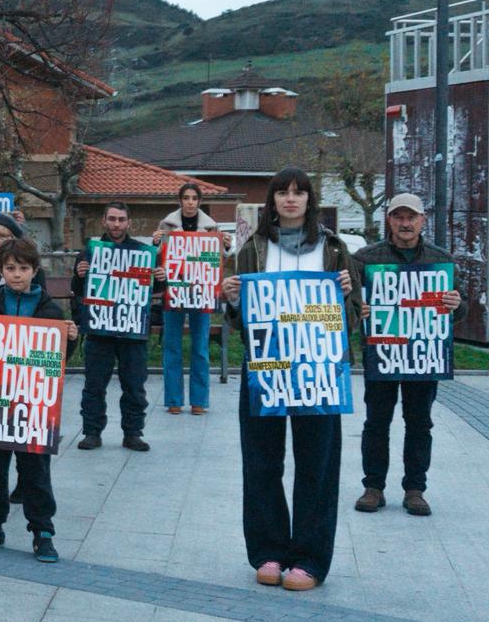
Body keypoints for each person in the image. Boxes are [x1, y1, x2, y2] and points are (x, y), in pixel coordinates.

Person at [222, 167, 359, 591]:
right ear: (272, 201)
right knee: (262, 460)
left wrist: (349, 295)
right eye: (283, 192)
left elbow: (350, 320)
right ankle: (268, 551)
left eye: (299, 192)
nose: (291, 199)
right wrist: (231, 300)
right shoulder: (252, 248)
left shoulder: (334, 249)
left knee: (317, 464)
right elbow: (240, 318)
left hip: (319, 370)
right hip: (266, 369)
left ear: (309, 200)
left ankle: (310, 559)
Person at [0, 237, 78, 562]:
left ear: (34, 270)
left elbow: (59, 358)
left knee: (36, 470)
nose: (16, 274)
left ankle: (43, 532)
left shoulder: (49, 308)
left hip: (33, 406)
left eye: (23, 268)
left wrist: (71, 339)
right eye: (10, 268)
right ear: (1, 270)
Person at [352, 193, 462, 518]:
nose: (405, 223)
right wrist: (359, 309)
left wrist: (456, 305)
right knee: (376, 423)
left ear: (422, 220)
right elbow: (345, 304)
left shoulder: (440, 260)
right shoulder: (365, 259)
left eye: (411, 217)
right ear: (389, 220)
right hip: (382, 354)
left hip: (423, 356)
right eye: (398, 216)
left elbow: (459, 309)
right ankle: (373, 487)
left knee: (419, 424)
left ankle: (415, 489)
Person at [72, 202, 154, 453]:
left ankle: (133, 433)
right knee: (94, 384)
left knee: (134, 384)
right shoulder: (89, 252)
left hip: (132, 330)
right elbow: (77, 289)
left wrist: (159, 278)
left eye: (121, 219)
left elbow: (153, 292)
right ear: (104, 221)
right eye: (112, 219)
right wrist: (79, 274)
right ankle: (92, 432)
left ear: (129, 222)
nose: (116, 224)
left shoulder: (144, 252)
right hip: (99, 329)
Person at [156, 182, 229, 415]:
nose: (190, 202)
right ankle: (174, 400)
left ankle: (199, 400)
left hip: (202, 293)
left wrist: (225, 246)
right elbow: (159, 258)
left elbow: (218, 259)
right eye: (186, 198)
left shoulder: (211, 226)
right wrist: (156, 243)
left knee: (200, 347)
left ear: (199, 201)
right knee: (172, 347)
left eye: (194, 198)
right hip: (174, 291)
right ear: (180, 201)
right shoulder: (165, 224)